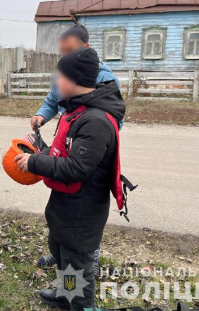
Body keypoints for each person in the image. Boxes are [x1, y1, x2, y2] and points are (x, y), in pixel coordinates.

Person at [14, 47, 125, 311]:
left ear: (76, 81)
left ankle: (78, 303)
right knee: (64, 258)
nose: (56, 83)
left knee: (77, 267)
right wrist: (39, 151)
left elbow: (77, 167)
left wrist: (35, 162)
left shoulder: (96, 121)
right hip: (66, 208)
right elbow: (62, 152)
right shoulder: (75, 110)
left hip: (82, 215)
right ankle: (66, 294)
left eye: (60, 77)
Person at [31, 24, 122, 275]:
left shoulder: (103, 85)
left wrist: (88, 141)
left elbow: (111, 125)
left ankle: (84, 264)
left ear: (86, 48)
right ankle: (64, 273)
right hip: (69, 154)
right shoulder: (67, 74)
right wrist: (42, 116)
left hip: (86, 163)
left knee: (80, 241)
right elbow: (53, 100)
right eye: (62, 52)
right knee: (64, 230)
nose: (64, 57)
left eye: (69, 51)